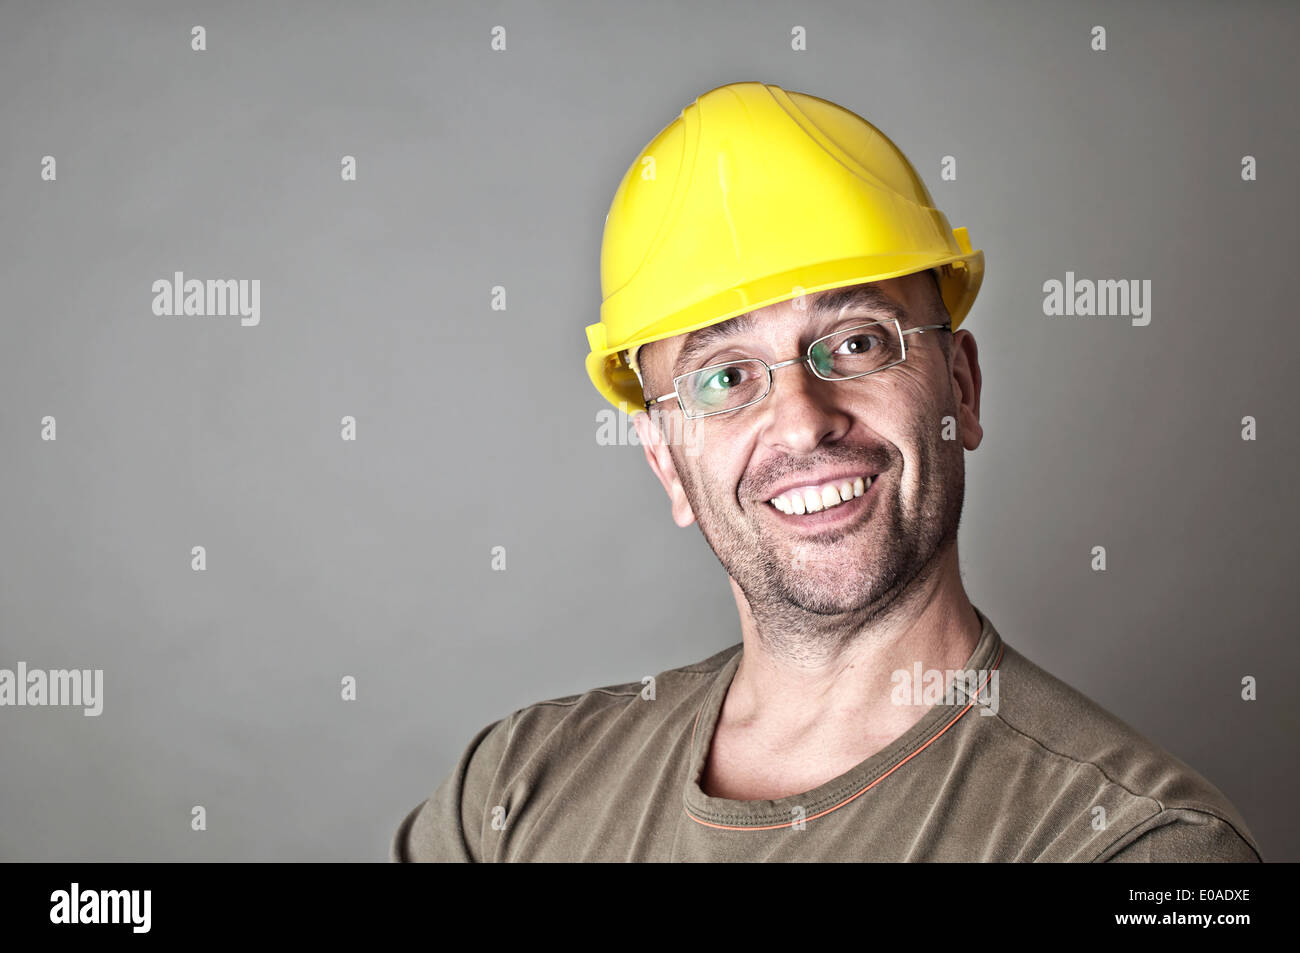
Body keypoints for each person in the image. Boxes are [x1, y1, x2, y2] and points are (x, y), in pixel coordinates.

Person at [391, 82, 1260, 862]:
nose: (803, 420)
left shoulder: (1144, 851)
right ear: (666, 463)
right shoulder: (507, 798)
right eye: (724, 377)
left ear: (961, 385)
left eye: (855, 342)